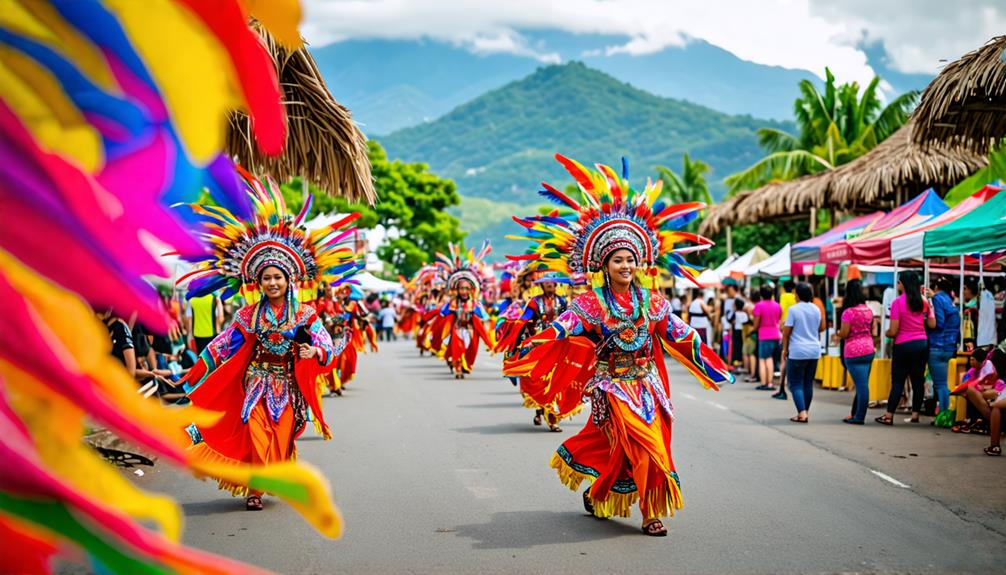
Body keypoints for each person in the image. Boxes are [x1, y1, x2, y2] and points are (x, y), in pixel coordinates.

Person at [503, 155, 732, 537]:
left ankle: (602, 491)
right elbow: (562, 327)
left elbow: (681, 334)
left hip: (647, 385)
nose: (626, 265)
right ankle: (648, 513)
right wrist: (530, 349)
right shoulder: (590, 303)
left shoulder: (652, 301)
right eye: (618, 260)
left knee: (639, 446)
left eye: (631, 259)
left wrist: (712, 366)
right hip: (611, 385)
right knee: (641, 444)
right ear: (604, 265)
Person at [173, 174, 360, 510]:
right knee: (256, 431)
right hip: (256, 382)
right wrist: (195, 371)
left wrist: (314, 350)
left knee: (282, 435)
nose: (272, 282)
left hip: (287, 385)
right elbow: (221, 345)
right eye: (266, 278)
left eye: (278, 277)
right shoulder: (247, 315)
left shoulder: (305, 313)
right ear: (257, 282)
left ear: (290, 280)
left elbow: (326, 345)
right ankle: (255, 491)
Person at [497, 272, 571, 431]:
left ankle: (552, 418)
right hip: (539, 346)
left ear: (556, 285)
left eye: (552, 282)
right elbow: (522, 321)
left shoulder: (563, 302)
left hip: (558, 346)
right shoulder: (534, 303)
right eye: (546, 282)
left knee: (556, 383)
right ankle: (540, 410)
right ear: (541, 286)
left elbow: (569, 322)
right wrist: (514, 333)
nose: (549, 284)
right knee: (539, 381)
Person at [875, 271, 935, 425]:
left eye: (899, 282)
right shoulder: (924, 302)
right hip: (921, 344)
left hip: (903, 345)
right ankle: (915, 415)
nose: (897, 285)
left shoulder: (897, 302)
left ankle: (889, 415)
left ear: (903, 284)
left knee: (898, 381)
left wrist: (886, 332)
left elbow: (893, 331)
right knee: (917, 380)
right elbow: (932, 324)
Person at [429, 242, 495, 379]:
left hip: (471, 331)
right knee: (457, 349)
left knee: (470, 352)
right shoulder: (452, 302)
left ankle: (465, 366)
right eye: (461, 288)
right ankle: (457, 367)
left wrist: (487, 334)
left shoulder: (476, 304)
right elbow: (442, 315)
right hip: (456, 329)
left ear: (471, 289)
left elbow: (484, 318)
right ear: (457, 289)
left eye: (466, 288)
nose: (464, 291)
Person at [782, 283, 822, 423]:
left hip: (798, 350)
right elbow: (820, 328)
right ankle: (804, 412)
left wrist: (784, 350)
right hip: (814, 350)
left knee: (795, 383)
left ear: (797, 294)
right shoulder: (816, 309)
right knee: (807, 383)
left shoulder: (793, 310)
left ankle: (802, 413)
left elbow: (786, 333)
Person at [837, 280, 875, 424]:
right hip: (868, 348)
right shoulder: (868, 310)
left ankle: (859, 417)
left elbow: (845, 333)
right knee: (862, 384)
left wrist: (839, 333)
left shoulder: (848, 312)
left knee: (862, 386)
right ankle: (854, 413)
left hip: (853, 351)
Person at [926, 276, 961, 417]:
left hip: (937, 346)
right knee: (945, 383)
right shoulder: (951, 302)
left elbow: (938, 323)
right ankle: (945, 413)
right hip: (949, 347)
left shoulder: (937, 300)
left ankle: (944, 415)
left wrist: (925, 322)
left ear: (936, 288)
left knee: (940, 385)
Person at [752, 284, 783, 393]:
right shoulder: (777, 305)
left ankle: (765, 383)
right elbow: (779, 319)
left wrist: (753, 330)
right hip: (776, 334)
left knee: (763, 359)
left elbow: (756, 323)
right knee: (771, 358)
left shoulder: (759, 306)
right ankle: (770, 382)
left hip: (764, 335)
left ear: (761, 294)